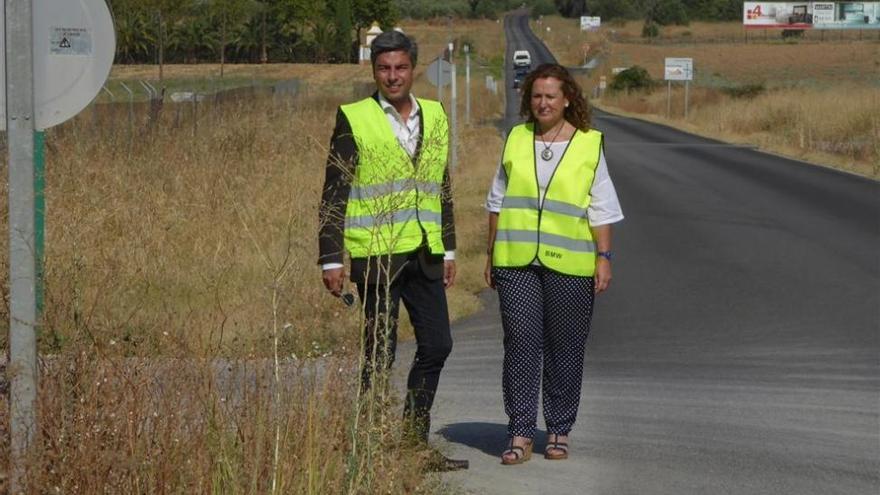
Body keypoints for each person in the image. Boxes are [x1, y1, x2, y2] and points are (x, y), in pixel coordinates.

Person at [318, 30, 468, 471]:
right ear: (373, 70)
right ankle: (365, 447)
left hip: (425, 253)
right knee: (378, 355)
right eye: (384, 68)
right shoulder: (355, 117)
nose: (392, 76)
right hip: (378, 258)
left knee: (437, 345)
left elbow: (440, 187)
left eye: (400, 67)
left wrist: (451, 248)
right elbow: (334, 192)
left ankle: (411, 444)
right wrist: (331, 257)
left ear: (413, 69)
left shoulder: (436, 116)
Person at [484, 63, 624, 465]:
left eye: (551, 96)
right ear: (528, 100)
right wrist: (491, 252)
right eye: (536, 96)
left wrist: (604, 258)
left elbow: (602, 208)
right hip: (516, 261)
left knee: (565, 346)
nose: (543, 103)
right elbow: (497, 200)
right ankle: (521, 431)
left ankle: (559, 429)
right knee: (521, 343)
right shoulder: (515, 138)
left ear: (567, 100)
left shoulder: (588, 144)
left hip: (572, 264)